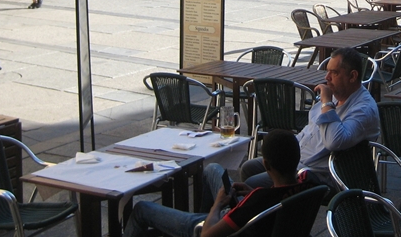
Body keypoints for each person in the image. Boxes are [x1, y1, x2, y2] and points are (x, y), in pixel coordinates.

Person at [124, 130, 313, 237]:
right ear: (297, 158)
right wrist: (250, 192)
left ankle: (201, 220)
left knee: (142, 209)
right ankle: (205, 215)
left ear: (266, 165)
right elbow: (271, 200)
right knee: (212, 169)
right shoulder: (307, 184)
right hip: (254, 219)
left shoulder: (258, 200)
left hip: (214, 229)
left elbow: (207, 235)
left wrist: (217, 205)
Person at [240, 47, 379, 192]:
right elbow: (309, 130)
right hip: (296, 160)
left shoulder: (363, 109)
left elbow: (334, 141)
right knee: (249, 168)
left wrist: (326, 102)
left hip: (315, 174)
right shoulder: (336, 97)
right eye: (327, 71)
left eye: (334, 73)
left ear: (352, 76)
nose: (327, 78)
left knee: (252, 183)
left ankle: (269, 203)